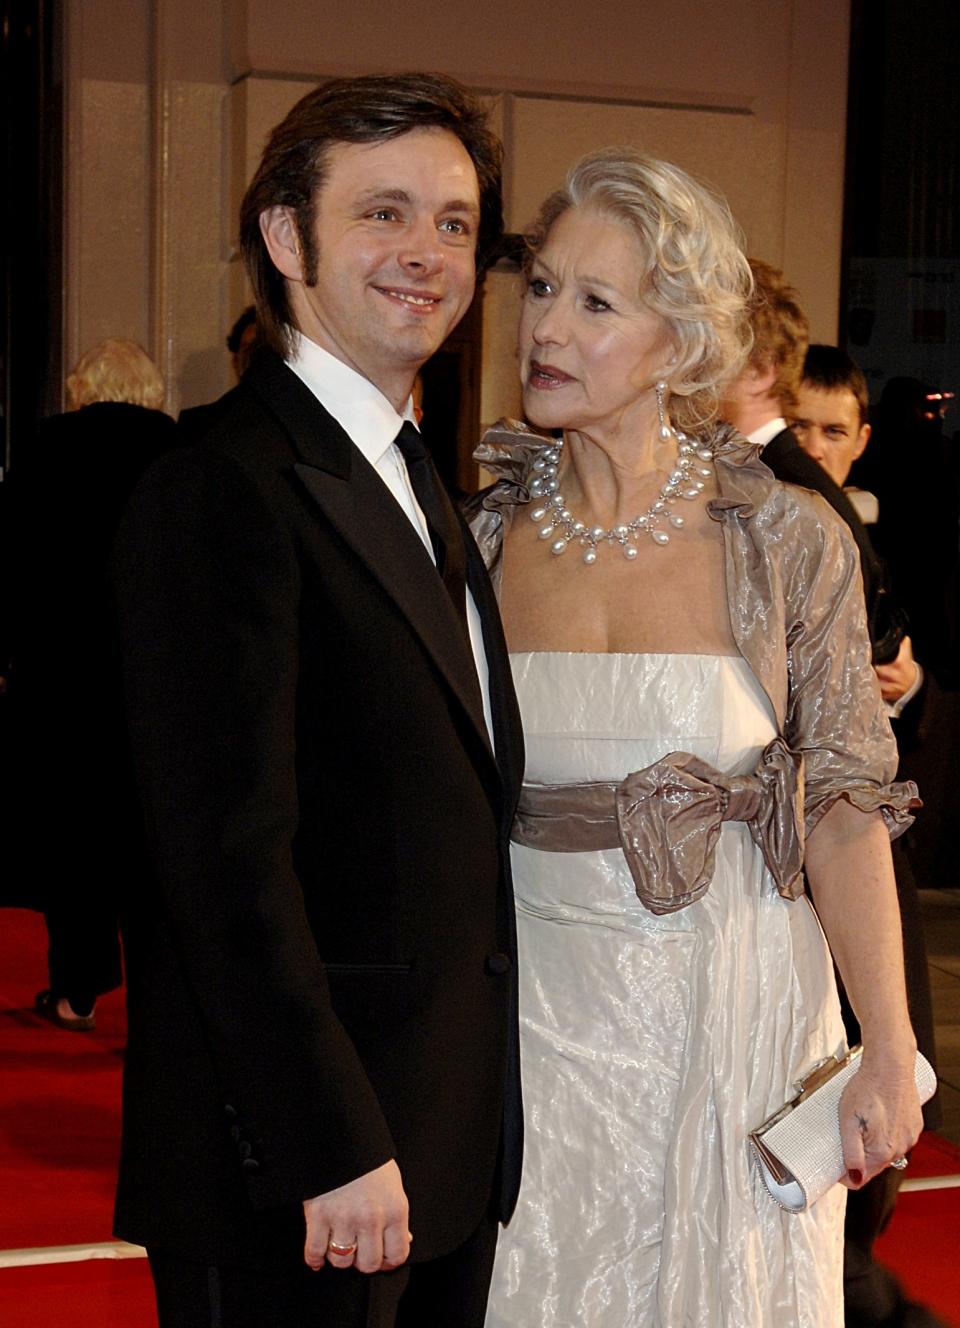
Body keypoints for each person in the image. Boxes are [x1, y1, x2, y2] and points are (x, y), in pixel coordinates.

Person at [467, 148, 923, 1326]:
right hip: (536, 1027)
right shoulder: (470, 535)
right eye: (543, 287)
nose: (546, 327)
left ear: (678, 341)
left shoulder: (783, 540)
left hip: (740, 1012)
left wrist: (887, 1041)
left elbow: (843, 803)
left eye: (596, 302)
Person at [112, 73, 524, 1328]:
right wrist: (327, 1142)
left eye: (454, 223)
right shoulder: (221, 489)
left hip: (437, 1150)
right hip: (302, 1176)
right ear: (287, 239)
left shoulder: (412, 478)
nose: (428, 254)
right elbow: (223, 870)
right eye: (383, 213)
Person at [4, 338, 177, 1030]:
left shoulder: (46, 456)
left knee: (75, 842)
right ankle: (161, 1005)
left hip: (64, 685)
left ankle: (77, 992)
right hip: (157, 684)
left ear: (82, 390)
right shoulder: (182, 458)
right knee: (153, 847)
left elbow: (12, 567)